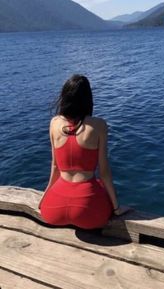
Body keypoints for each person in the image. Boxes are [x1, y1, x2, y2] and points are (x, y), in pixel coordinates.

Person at [39, 74, 130, 229]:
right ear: (88, 99)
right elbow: (104, 172)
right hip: (87, 211)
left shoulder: (54, 123)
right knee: (101, 185)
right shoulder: (98, 125)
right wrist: (117, 208)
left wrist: (44, 198)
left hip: (53, 211)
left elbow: (55, 168)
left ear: (64, 98)